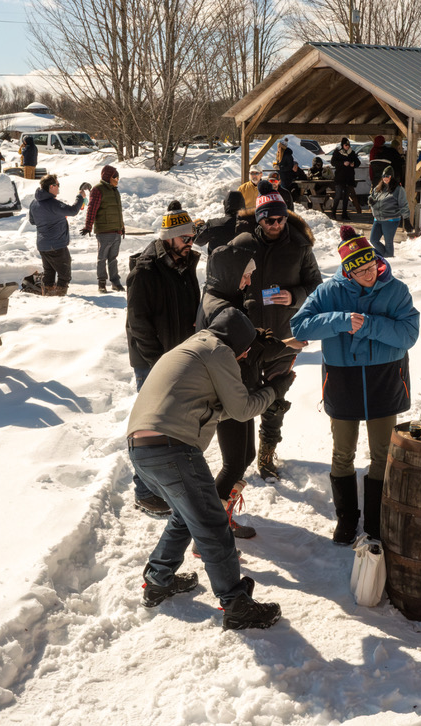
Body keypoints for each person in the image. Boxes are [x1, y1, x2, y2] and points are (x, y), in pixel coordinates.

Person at [127, 306, 289, 630]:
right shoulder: (219, 351)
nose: (244, 356)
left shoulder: (192, 347)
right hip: (172, 448)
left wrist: (265, 398)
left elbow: (217, 411)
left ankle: (159, 579)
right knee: (213, 522)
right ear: (238, 342)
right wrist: (273, 391)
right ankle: (235, 603)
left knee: (186, 516)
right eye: (245, 350)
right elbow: (243, 410)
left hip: (141, 448)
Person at [291, 225, 420, 545]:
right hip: (343, 379)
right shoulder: (328, 292)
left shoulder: (396, 290)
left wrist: (368, 326)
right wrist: (339, 320)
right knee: (342, 453)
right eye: (359, 270)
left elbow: (408, 334)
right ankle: (347, 519)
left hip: (384, 377)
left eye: (372, 266)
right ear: (347, 270)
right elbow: (299, 326)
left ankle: (376, 522)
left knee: (382, 454)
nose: (369, 274)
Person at [230, 180, 323, 480]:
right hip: (246, 334)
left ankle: (266, 452)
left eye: (282, 218)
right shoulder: (244, 245)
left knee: (276, 396)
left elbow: (316, 285)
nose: (277, 224)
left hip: (284, 334)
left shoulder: (299, 246)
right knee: (241, 397)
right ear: (259, 219)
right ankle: (237, 459)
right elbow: (224, 284)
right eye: (270, 220)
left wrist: (294, 296)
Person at [195, 244, 289, 538]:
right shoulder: (221, 308)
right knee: (235, 461)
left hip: (240, 389)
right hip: (229, 393)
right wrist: (282, 346)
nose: (248, 281)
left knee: (245, 455)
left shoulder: (223, 299)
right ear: (229, 273)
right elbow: (245, 351)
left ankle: (221, 519)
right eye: (245, 275)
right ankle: (210, 532)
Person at [124, 201, 202, 517]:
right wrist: (159, 363)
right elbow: (138, 323)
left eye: (193, 238)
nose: (190, 243)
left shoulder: (184, 264)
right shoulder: (145, 271)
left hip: (178, 356)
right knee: (149, 428)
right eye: (185, 238)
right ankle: (145, 493)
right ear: (169, 237)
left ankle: (168, 484)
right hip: (152, 361)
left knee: (173, 424)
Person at [28, 173, 86, 296]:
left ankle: (48, 296)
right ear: (51, 186)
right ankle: (60, 297)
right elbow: (72, 211)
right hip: (56, 245)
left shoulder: (34, 203)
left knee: (49, 273)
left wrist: (51, 217)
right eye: (57, 184)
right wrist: (80, 197)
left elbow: (33, 221)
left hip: (43, 245)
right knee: (65, 274)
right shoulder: (52, 204)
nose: (59, 187)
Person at [82, 165, 125, 293]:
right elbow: (92, 209)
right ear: (108, 177)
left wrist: (122, 227)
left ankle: (115, 282)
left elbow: (118, 212)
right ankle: (101, 283)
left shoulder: (114, 191)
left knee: (113, 258)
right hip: (104, 231)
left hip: (116, 230)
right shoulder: (97, 190)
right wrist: (88, 226)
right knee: (102, 258)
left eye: (118, 177)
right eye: (115, 177)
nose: (117, 179)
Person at [367, 166, 409, 258]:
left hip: (391, 219)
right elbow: (372, 198)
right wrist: (371, 201)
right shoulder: (378, 188)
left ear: (391, 177)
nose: (385, 178)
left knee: (388, 242)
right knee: (373, 240)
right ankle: (386, 256)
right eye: (384, 176)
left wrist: (406, 219)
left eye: (388, 176)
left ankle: (389, 259)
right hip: (377, 219)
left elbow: (403, 204)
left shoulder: (398, 189)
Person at [330, 138, 361, 219]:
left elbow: (358, 162)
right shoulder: (337, 152)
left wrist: (353, 164)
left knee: (346, 196)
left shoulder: (352, 153)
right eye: (345, 145)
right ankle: (333, 212)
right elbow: (333, 162)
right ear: (342, 145)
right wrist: (342, 163)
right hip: (340, 178)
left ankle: (344, 214)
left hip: (349, 178)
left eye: (348, 145)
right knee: (338, 195)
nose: (347, 146)